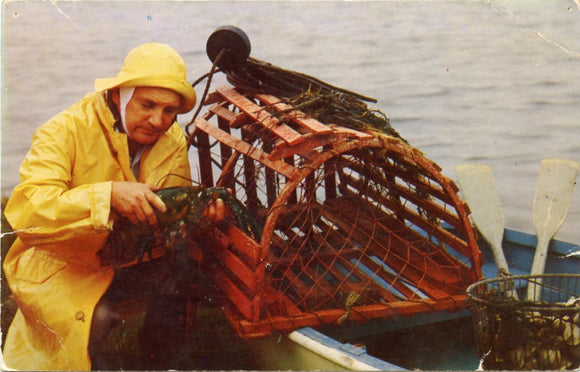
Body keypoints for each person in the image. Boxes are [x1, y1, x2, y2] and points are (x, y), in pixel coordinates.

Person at [2, 43, 224, 370]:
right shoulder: (63, 130)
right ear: (120, 94)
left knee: (179, 278)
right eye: (147, 104)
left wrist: (201, 217)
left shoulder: (172, 137)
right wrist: (106, 196)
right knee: (91, 320)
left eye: (169, 111)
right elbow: (28, 213)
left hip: (127, 256)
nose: (157, 120)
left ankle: (158, 362)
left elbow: (171, 214)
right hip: (63, 263)